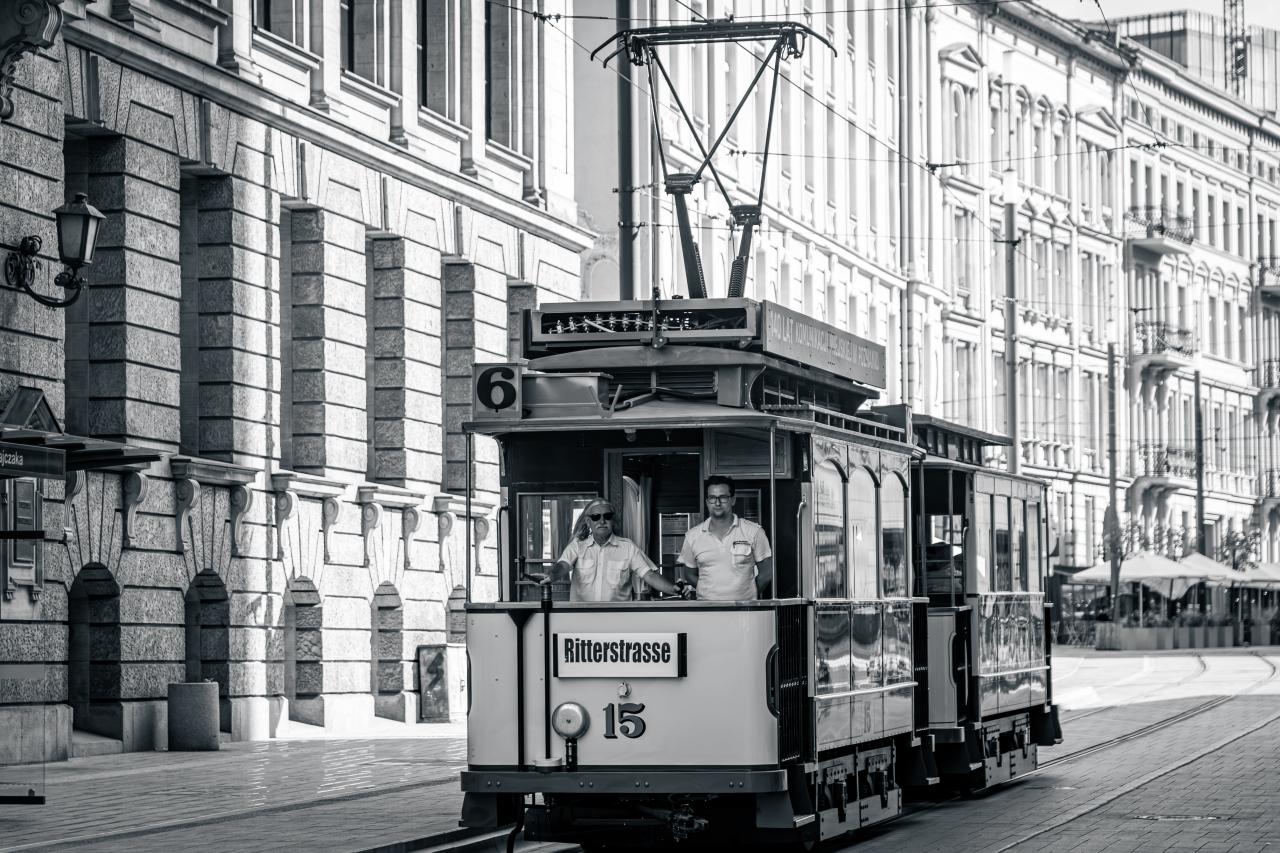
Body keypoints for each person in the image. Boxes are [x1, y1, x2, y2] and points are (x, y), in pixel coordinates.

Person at [536, 499, 691, 602]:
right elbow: (563, 565)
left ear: (613, 520)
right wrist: (551, 575)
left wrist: (674, 589)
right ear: (589, 522)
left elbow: (649, 575)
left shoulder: (627, 547)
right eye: (596, 517)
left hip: (618, 621)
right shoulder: (578, 546)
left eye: (607, 516)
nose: (602, 521)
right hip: (581, 620)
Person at [677, 475, 773, 600]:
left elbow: (767, 573)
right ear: (707, 502)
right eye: (712, 498)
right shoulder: (692, 536)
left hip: (744, 612)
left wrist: (747, 593)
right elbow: (689, 574)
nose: (717, 503)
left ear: (732, 500)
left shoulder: (754, 532)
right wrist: (709, 590)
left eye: (723, 497)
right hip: (707, 610)